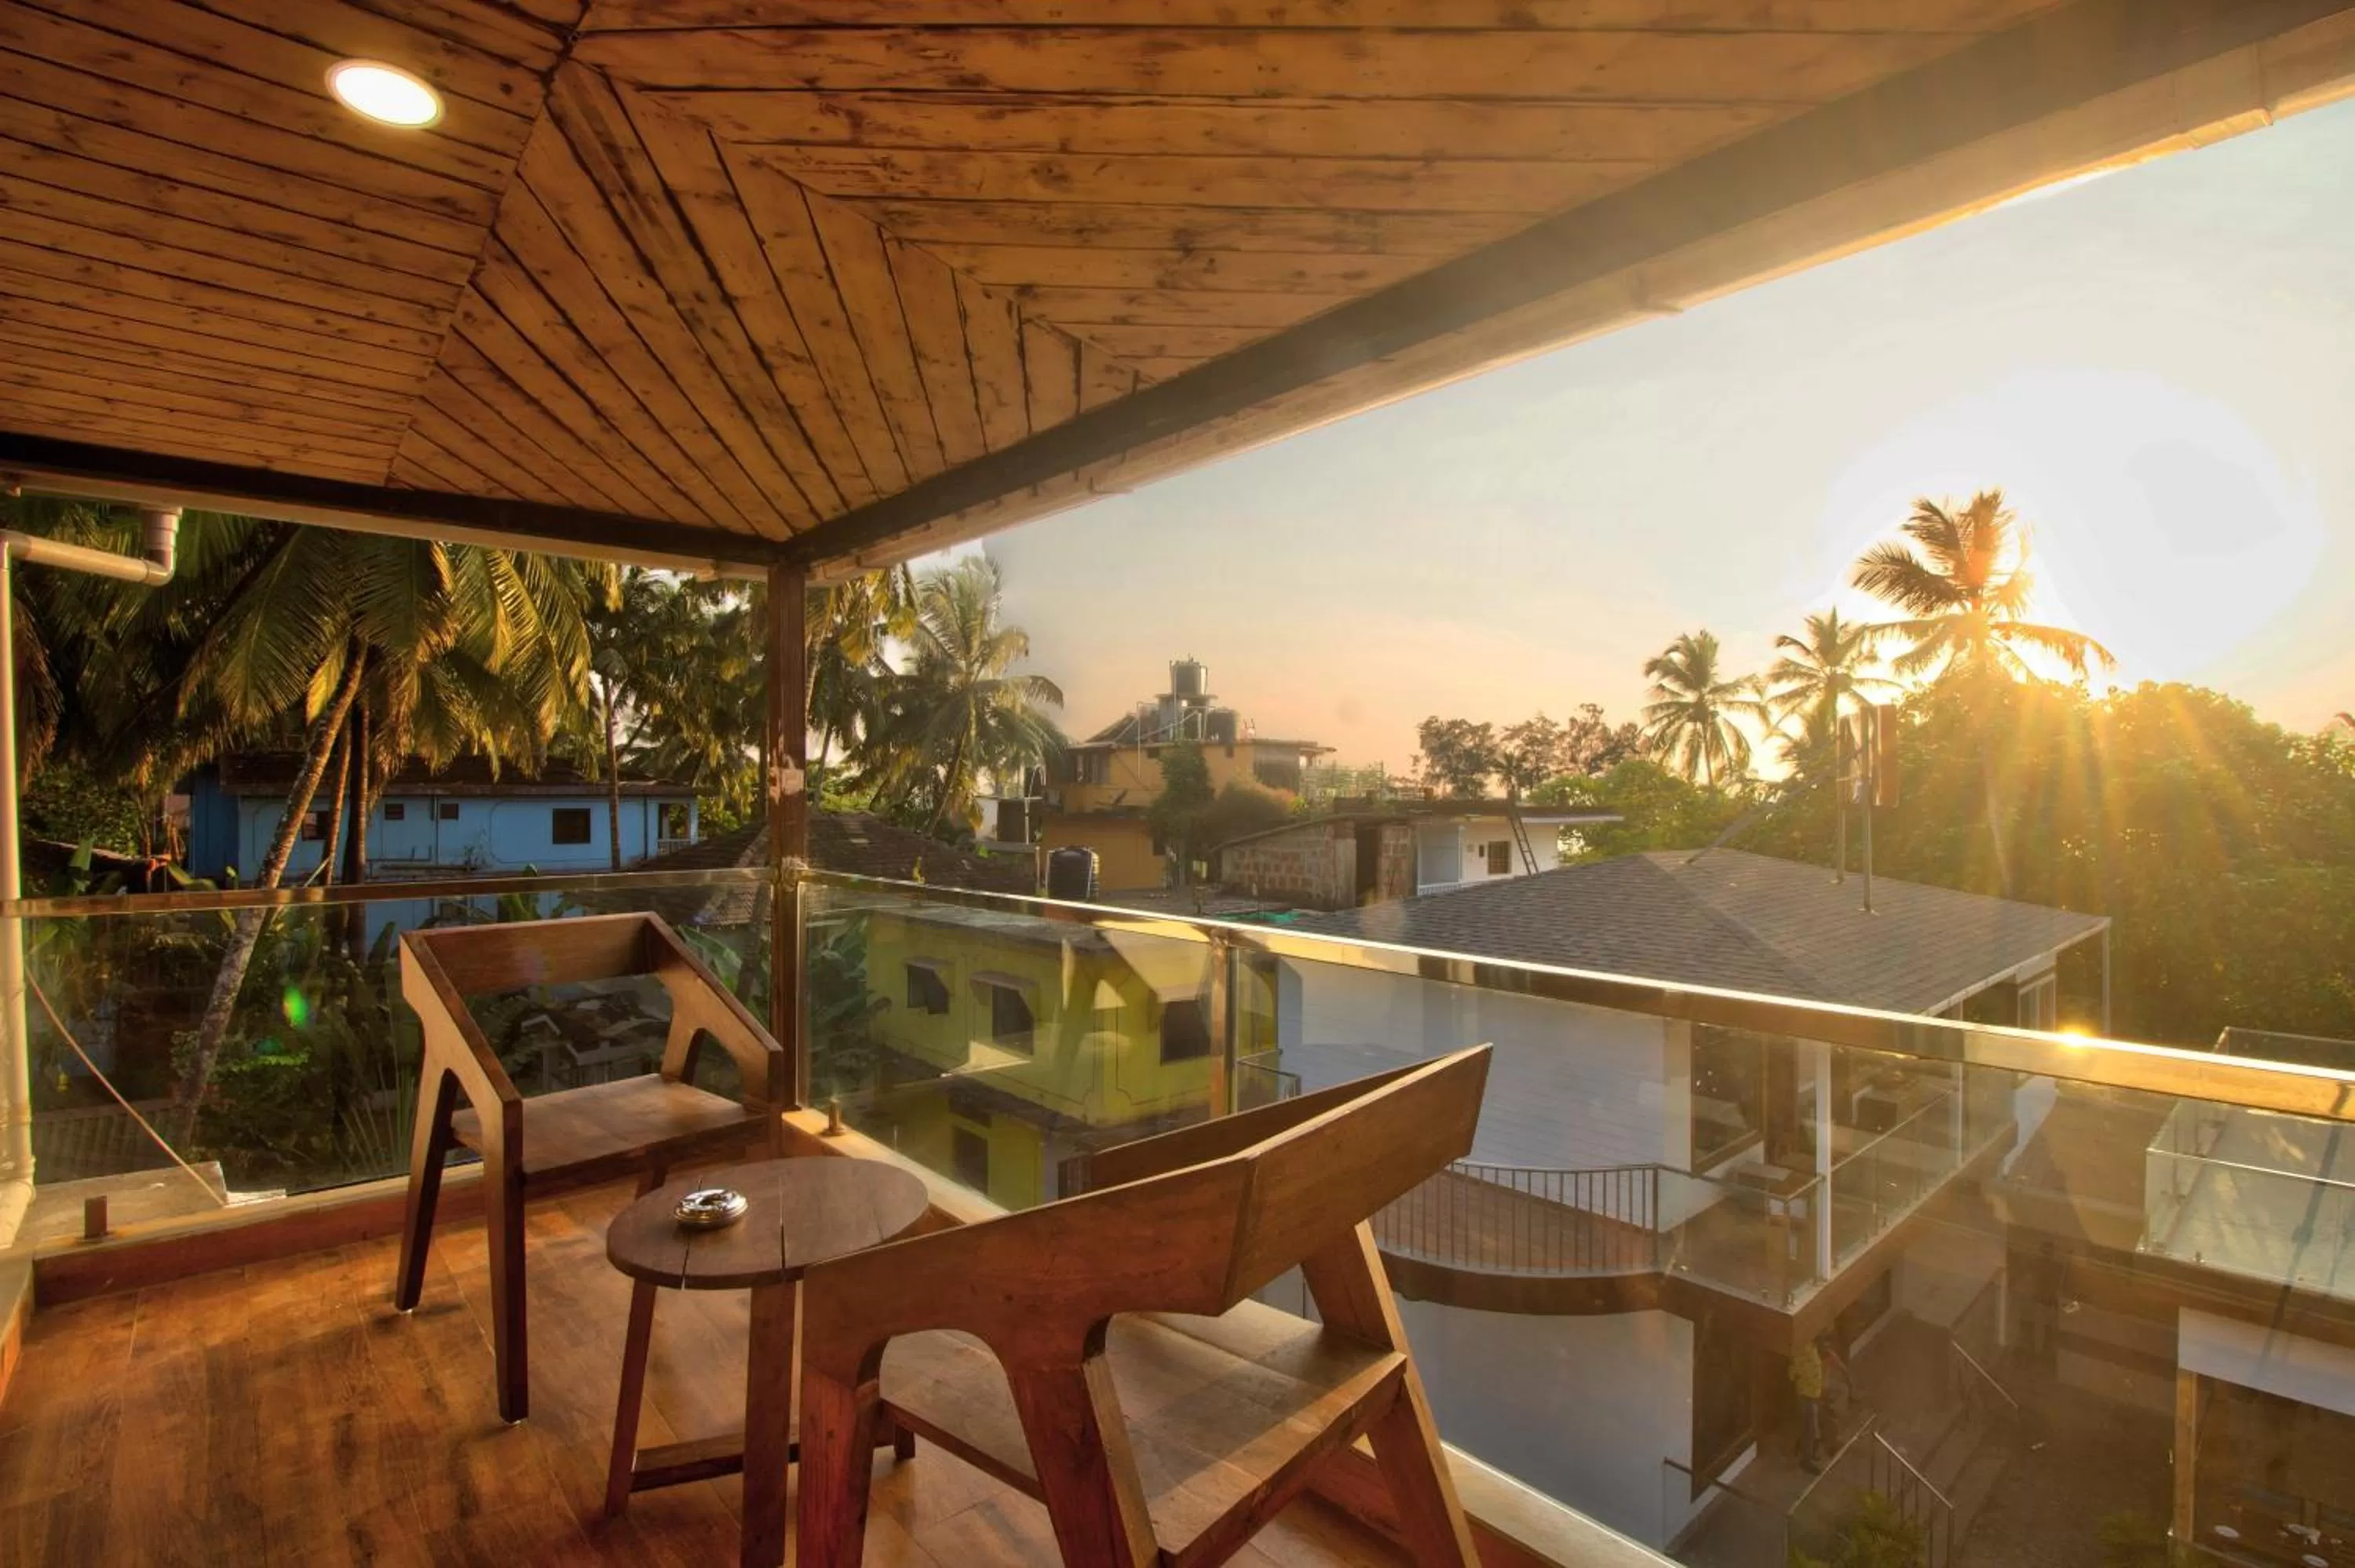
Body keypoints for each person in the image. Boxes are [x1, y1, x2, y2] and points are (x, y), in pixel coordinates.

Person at [1791, 1333, 1846, 1472]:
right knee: (1809, 1428)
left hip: (1813, 1395)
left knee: (1812, 1426)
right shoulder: (1802, 1353)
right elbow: (1792, 1374)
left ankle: (1806, 1451)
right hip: (1806, 1395)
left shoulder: (1813, 1349)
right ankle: (1806, 1461)